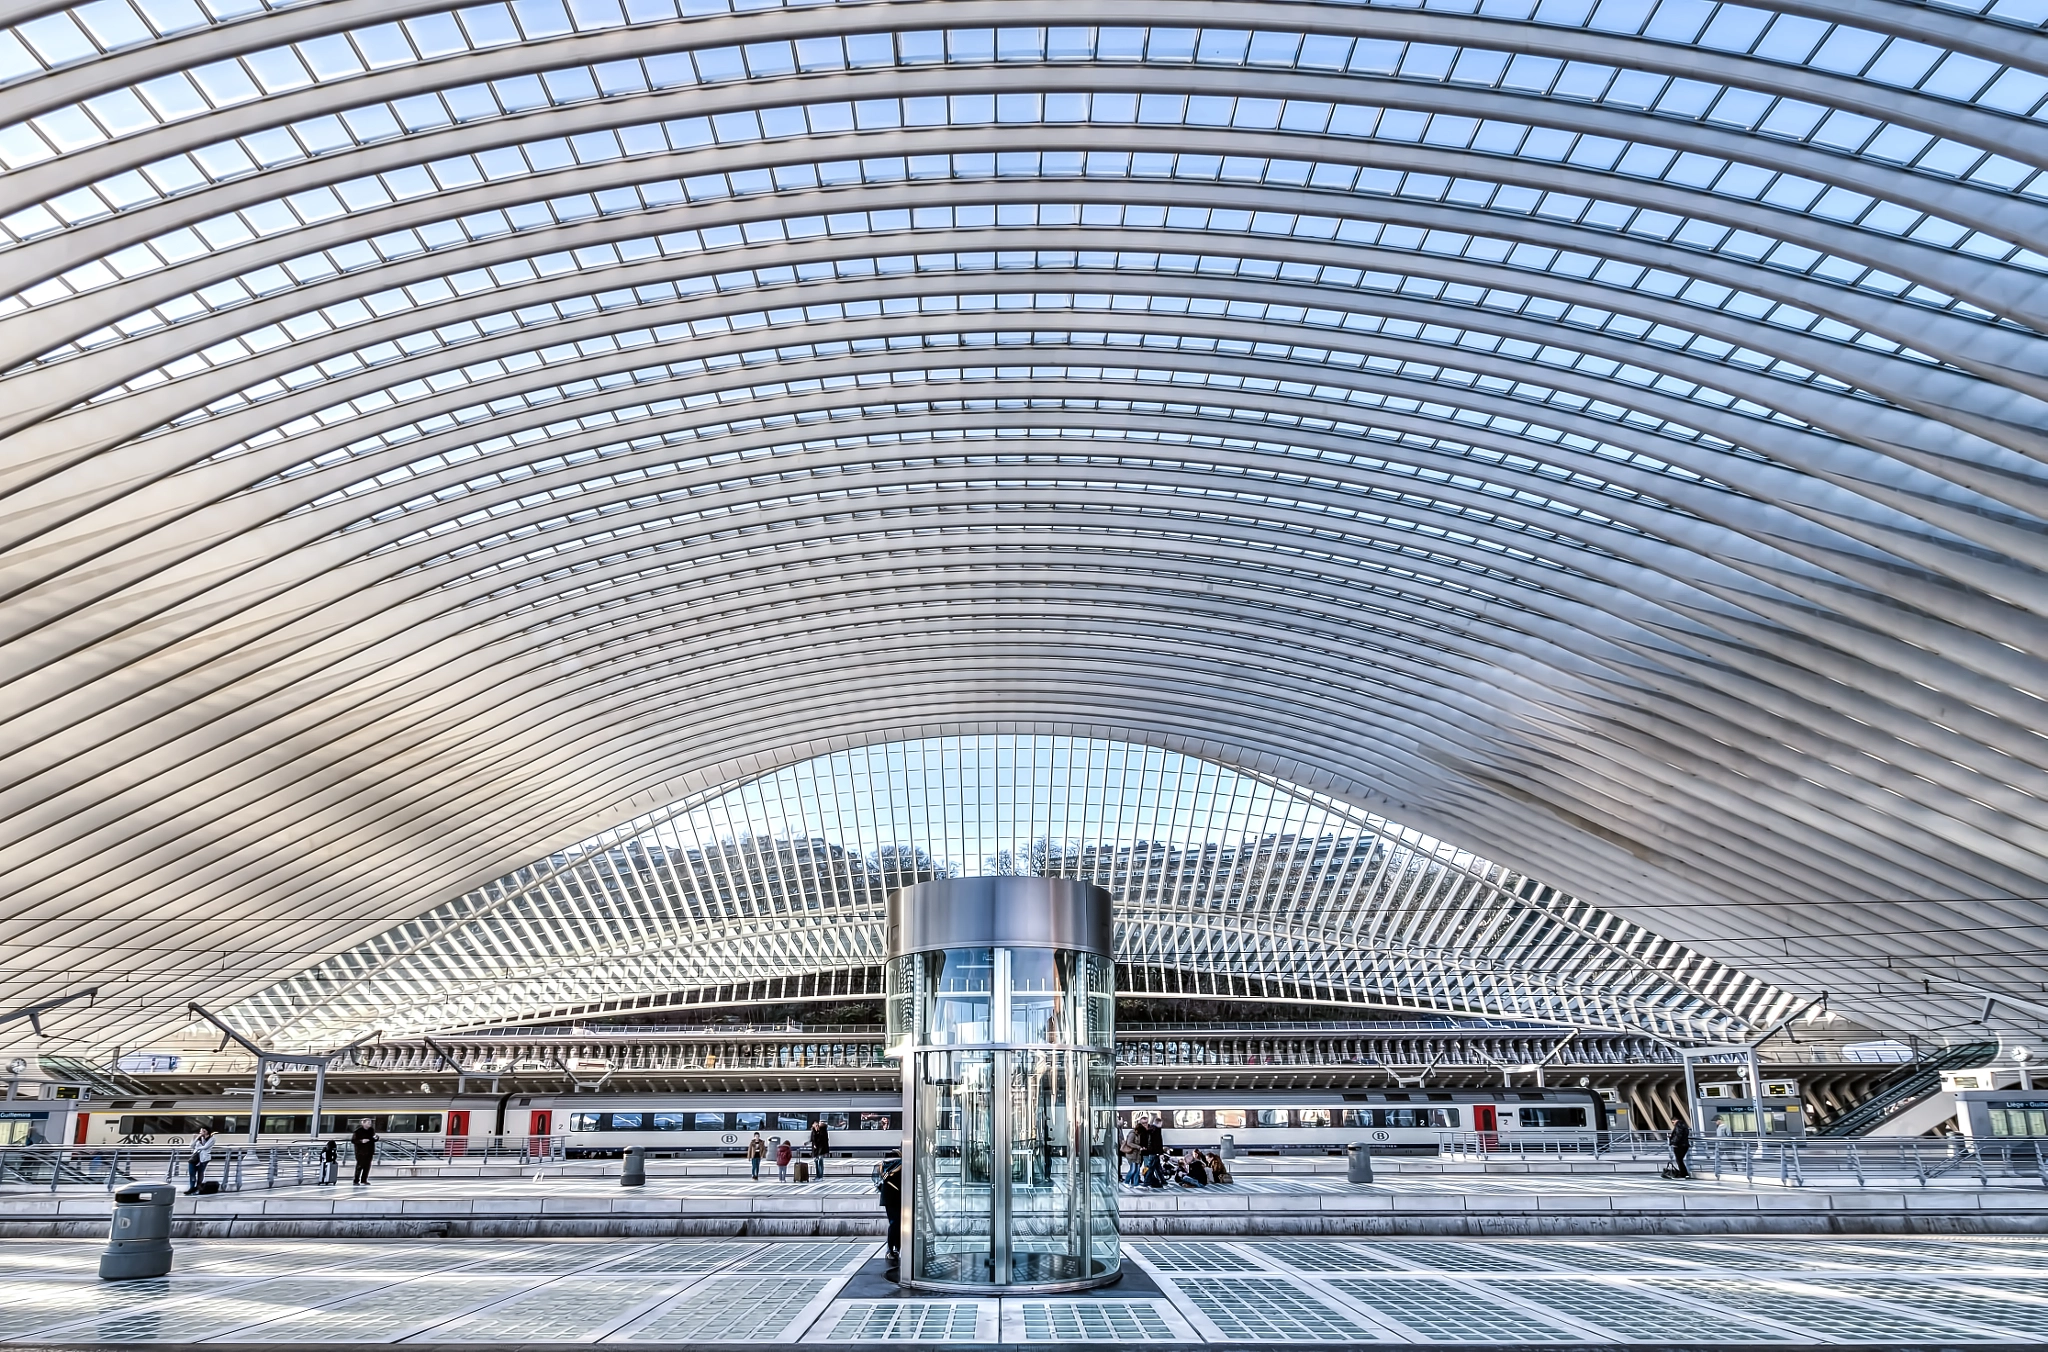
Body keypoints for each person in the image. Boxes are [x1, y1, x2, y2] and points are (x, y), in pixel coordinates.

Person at [873, 1149, 902, 1279]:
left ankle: (893, 1249)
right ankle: (893, 1248)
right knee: (897, 1223)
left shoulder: (883, 1166)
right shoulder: (901, 1165)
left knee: (894, 1223)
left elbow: (875, 1180)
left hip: (888, 1198)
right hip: (898, 1197)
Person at [350, 1118, 378, 1186]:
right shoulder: (358, 1131)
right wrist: (361, 1141)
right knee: (359, 1166)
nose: (370, 1124)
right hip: (360, 1152)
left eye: (370, 1123)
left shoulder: (371, 1130)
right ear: (363, 1123)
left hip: (369, 1151)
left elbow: (373, 1139)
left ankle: (364, 1180)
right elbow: (353, 1140)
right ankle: (356, 1180)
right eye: (368, 1123)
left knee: (367, 1166)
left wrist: (376, 1138)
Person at [186, 1126, 214, 1194]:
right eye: (200, 1131)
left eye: (202, 1131)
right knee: (192, 1173)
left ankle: (198, 1187)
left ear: (206, 1131)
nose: (200, 1133)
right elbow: (192, 1146)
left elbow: (205, 1147)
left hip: (204, 1158)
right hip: (195, 1157)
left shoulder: (212, 1139)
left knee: (200, 1173)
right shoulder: (199, 1138)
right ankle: (192, 1187)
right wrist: (196, 1138)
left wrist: (198, 1148)